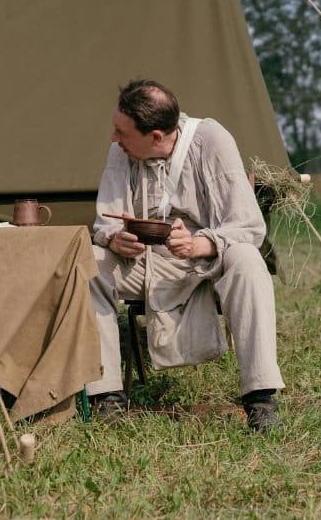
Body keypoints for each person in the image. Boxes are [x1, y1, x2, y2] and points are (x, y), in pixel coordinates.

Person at [87, 79, 285, 431]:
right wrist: (115, 239)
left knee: (248, 260)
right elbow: (105, 221)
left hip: (206, 263)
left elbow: (249, 226)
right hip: (145, 262)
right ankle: (107, 397)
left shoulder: (211, 140)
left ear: (157, 137)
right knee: (89, 262)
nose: (113, 139)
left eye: (122, 132)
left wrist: (200, 244)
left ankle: (260, 398)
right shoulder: (121, 151)